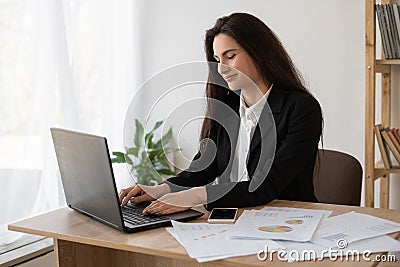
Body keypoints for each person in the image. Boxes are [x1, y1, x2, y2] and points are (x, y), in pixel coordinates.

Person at [119, 12, 322, 215]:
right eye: (217, 59)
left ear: (259, 52)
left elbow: (266, 185)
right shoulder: (226, 108)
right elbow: (203, 169)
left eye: (231, 56)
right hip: (233, 218)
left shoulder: (301, 109)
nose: (222, 68)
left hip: (287, 221)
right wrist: (161, 189)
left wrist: (195, 196)